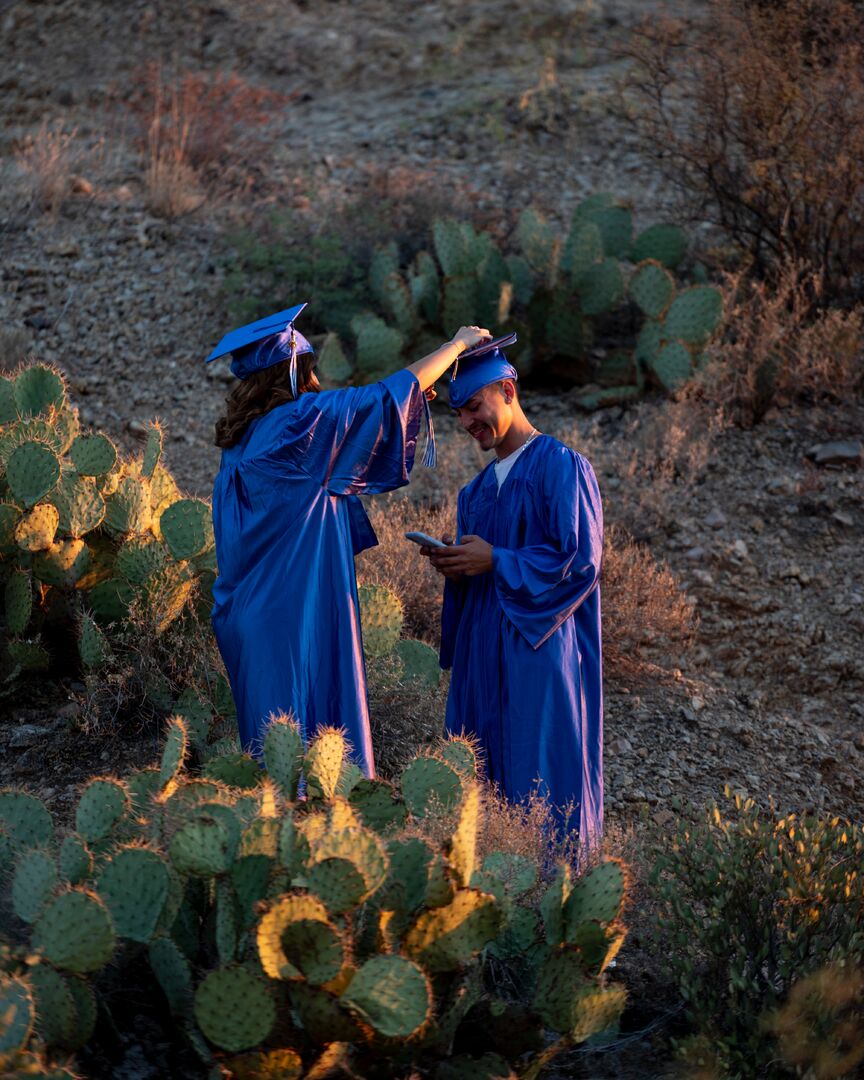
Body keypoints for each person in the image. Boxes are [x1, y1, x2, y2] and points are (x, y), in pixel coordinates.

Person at [207, 302, 490, 772]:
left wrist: (413, 400)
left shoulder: (243, 443)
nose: (318, 384)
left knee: (274, 756)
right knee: (314, 747)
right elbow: (383, 397)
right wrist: (456, 344)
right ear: (294, 375)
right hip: (294, 616)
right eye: (311, 372)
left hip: (246, 619)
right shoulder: (299, 422)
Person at [421, 344, 604, 843]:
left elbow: (579, 562)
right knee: (482, 786)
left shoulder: (561, 467)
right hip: (482, 658)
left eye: (474, 407)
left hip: (538, 656)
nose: (466, 422)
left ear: (507, 390)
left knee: (540, 774)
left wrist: (496, 559)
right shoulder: (474, 494)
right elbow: (481, 573)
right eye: (458, 413)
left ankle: (556, 897)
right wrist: (458, 567)